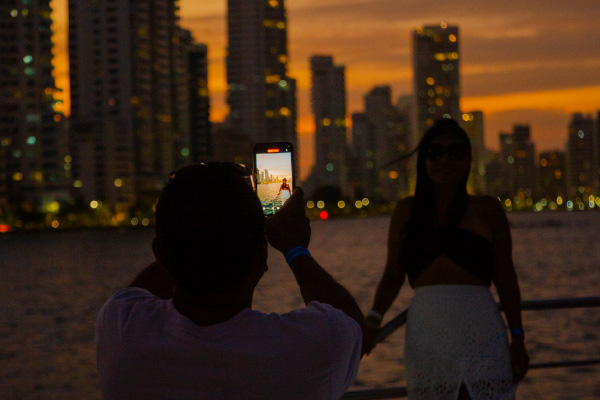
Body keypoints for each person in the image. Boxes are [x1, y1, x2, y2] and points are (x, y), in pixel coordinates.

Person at [95, 162, 365, 400]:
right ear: (261, 253)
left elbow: (142, 287)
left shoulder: (122, 330)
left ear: (161, 254)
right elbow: (352, 321)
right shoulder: (311, 349)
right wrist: (294, 247)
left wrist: (192, 235)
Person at [364, 119, 529, 400]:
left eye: (455, 152)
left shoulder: (488, 210)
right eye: (435, 153)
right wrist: (372, 322)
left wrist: (518, 337)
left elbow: (505, 277)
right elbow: (393, 276)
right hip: (428, 334)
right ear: (424, 160)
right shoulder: (406, 212)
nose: (445, 160)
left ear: (468, 160)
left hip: (482, 331)